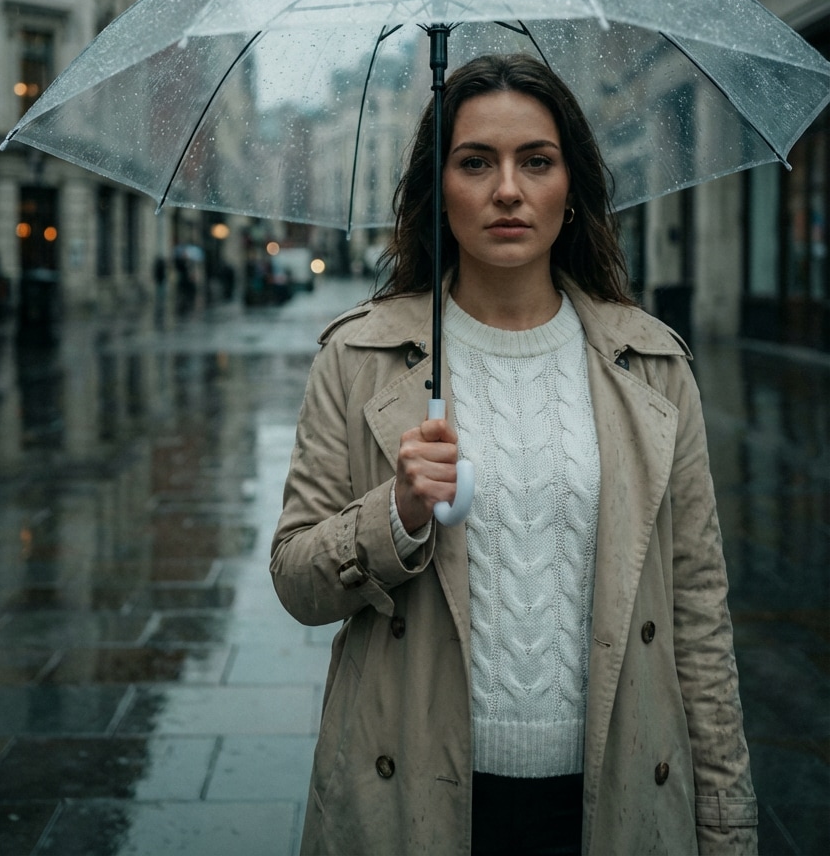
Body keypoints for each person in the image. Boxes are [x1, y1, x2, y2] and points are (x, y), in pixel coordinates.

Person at [271, 53, 757, 856]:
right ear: (439, 191)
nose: (507, 189)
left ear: (572, 187)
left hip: (618, 794)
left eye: (536, 160)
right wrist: (394, 516)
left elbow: (699, 615)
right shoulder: (359, 358)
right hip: (415, 799)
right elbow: (296, 578)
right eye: (475, 162)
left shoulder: (655, 367)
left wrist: (726, 822)